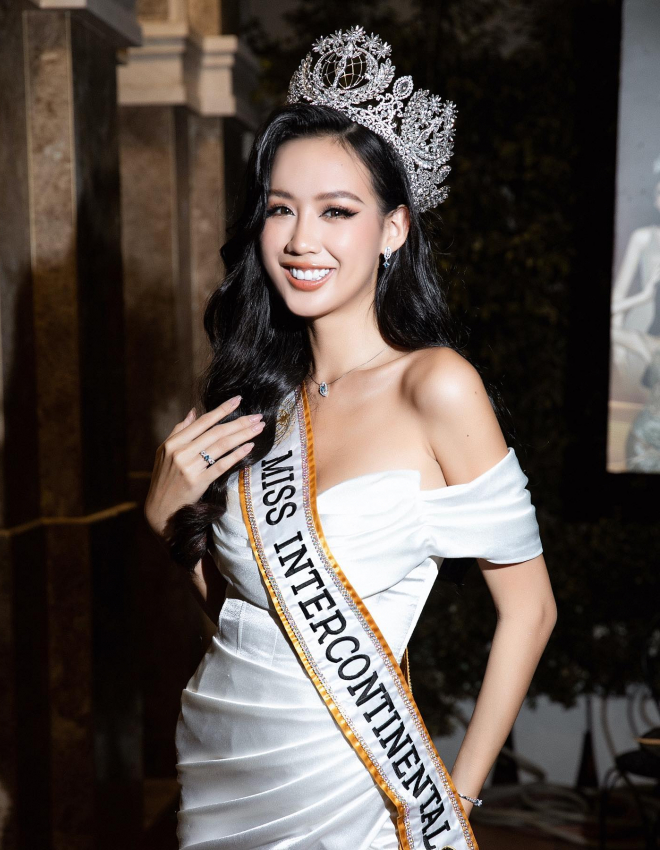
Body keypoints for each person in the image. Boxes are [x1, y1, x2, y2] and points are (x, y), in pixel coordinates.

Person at [144, 26, 557, 850]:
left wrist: (458, 796)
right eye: (280, 209)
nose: (302, 240)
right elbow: (246, 621)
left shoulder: (435, 385)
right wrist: (164, 519)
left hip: (359, 791)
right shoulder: (257, 394)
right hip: (226, 767)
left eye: (338, 211)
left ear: (394, 228)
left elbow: (531, 609)